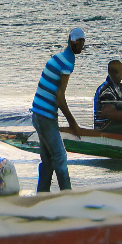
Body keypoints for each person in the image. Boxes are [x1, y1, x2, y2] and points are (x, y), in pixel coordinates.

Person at [30, 28, 90, 192]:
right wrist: (73, 124)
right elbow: (59, 96)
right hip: (44, 116)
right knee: (60, 157)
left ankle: (42, 196)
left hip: (38, 113)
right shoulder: (67, 62)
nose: (81, 45)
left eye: (83, 42)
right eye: (79, 42)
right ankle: (67, 195)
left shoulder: (60, 57)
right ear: (72, 42)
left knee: (48, 161)